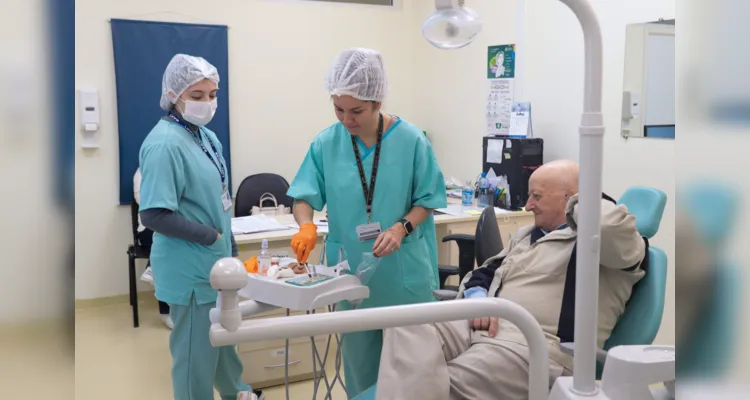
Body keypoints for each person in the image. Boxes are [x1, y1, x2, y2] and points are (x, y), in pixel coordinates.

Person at [375, 160, 647, 400]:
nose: (528, 205)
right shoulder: (529, 234)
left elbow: (608, 226)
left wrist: (583, 197)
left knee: (445, 384)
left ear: (571, 198)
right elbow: (486, 271)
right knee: (405, 325)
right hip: (483, 320)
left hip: (536, 343)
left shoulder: (610, 245)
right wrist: (478, 298)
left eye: (536, 196)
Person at [286, 48, 447, 398]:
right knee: (360, 369)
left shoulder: (411, 140)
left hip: (404, 273)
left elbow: (428, 200)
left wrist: (399, 228)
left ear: (377, 102)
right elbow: (303, 196)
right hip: (351, 274)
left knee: (411, 372)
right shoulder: (327, 142)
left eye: (356, 111)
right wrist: (306, 225)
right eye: (338, 109)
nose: (347, 120)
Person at [138, 54, 263, 400]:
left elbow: (218, 198)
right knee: (195, 358)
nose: (207, 103)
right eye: (197, 95)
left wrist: (230, 245)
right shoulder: (164, 143)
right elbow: (154, 215)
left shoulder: (205, 137)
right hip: (191, 270)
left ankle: (238, 393)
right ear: (174, 95)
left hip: (217, 266)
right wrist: (210, 236)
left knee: (224, 346)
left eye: (212, 94)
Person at [134, 167, 173, 329]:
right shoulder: (142, 173)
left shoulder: (174, 170)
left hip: (172, 226)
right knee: (168, 245)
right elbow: (143, 202)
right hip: (148, 228)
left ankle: (152, 268)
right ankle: (166, 313)